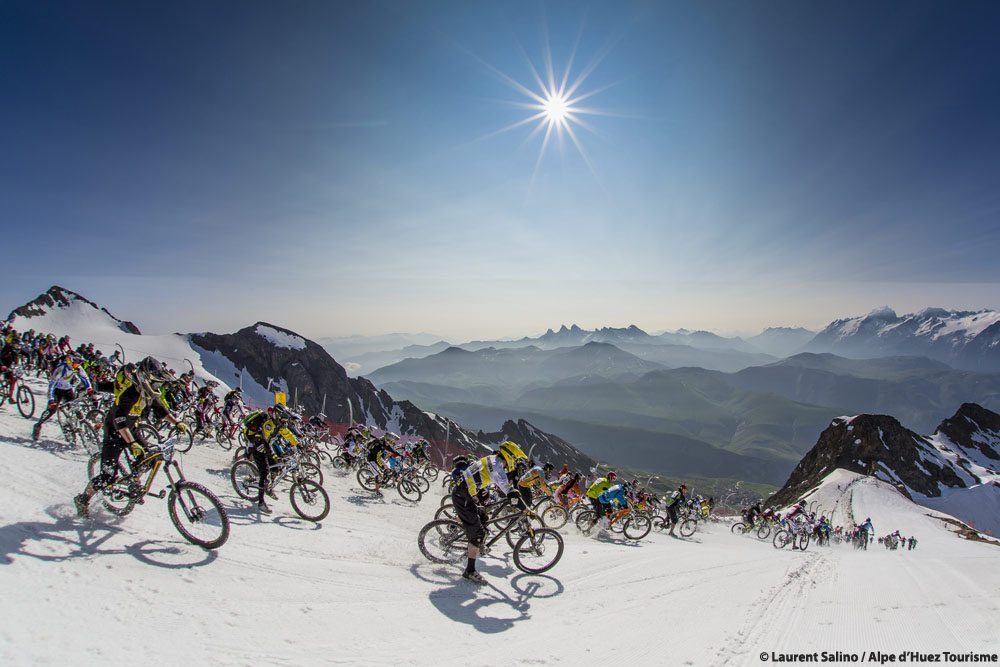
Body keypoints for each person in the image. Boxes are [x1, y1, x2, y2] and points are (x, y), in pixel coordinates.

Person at [74, 357, 188, 517]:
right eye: (155, 382)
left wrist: (176, 423)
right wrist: (132, 443)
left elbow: (160, 409)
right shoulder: (131, 393)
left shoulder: (147, 392)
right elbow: (119, 419)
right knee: (107, 477)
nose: (157, 386)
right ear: (145, 379)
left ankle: (134, 484)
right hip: (115, 432)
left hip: (132, 429)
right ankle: (83, 499)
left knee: (150, 459)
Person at [451, 440, 528, 585]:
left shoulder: (491, 458)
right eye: (515, 458)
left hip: (465, 493)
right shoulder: (498, 467)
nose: (515, 461)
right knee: (478, 534)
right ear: (509, 456)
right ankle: (470, 571)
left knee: (484, 517)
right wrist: (524, 508)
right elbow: (507, 490)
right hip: (464, 496)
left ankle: (468, 533)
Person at [242, 404, 299, 514]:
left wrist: (297, 443)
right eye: (283, 418)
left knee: (276, 469)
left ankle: (268, 487)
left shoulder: (278, 424)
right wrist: (274, 456)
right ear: (277, 415)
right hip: (257, 446)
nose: (285, 421)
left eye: (286, 419)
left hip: (266, 445)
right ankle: (261, 502)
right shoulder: (268, 424)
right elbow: (265, 442)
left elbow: (287, 434)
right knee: (265, 473)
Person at [32, 354, 94, 440]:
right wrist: (51, 400)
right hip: (57, 390)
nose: (78, 366)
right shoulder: (61, 368)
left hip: (68, 390)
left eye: (79, 364)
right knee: (51, 410)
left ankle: (76, 426)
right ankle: (38, 425)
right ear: (70, 362)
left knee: (76, 410)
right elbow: (52, 385)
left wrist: (89, 388)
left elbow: (84, 378)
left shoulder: (77, 368)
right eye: (76, 363)